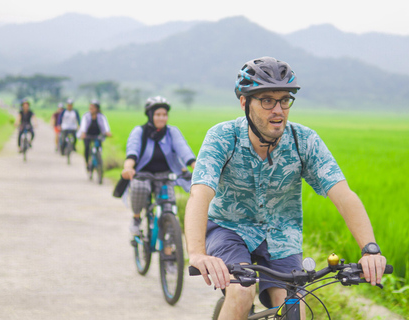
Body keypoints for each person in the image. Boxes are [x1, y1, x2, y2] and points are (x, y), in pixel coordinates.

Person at [184, 57, 387, 320]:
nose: (278, 110)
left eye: (284, 100)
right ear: (245, 103)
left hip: (282, 235)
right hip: (229, 228)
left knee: (295, 310)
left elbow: (343, 195)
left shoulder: (304, 141)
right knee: (242, 292)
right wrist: (197, 254)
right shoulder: (222, 137)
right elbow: (200, 193)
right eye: (267, 100)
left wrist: (370, 249)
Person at [121, 96, 196, 234]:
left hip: (165, 175)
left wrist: (195, 165)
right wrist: (128, 168)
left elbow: (184, 150)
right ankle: (136, 218)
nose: (162, 118)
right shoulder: (139, 132)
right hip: (143, 174)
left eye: (164, 115)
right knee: (139, 188)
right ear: (150, 115)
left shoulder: (172, 132)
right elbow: (132, 152)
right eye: (158, 115)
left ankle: (168, 249)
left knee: (169, 206)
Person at [78, 100, 112, 170]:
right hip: (87, 135)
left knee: (98, 147)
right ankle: (87, 162)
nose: (91, 109)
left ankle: (99, 160)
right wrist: (83, 133)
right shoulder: (86, 116)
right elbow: (83, 125)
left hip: (97, 135)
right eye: (90, 107)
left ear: (97, 108)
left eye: (93, 107)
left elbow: (105, 125)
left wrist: (107, 132)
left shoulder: (101, 116)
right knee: (87, 148)